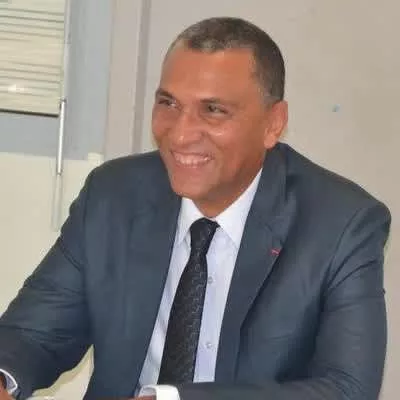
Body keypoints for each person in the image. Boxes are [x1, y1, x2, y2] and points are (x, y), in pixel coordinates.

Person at [0, 16, 391, 400]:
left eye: (213, 110)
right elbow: (31, 334)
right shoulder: (113, 196)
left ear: (274, 123)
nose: (180, 134)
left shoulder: (342, 224)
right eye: (168, 103)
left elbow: (347, 389)